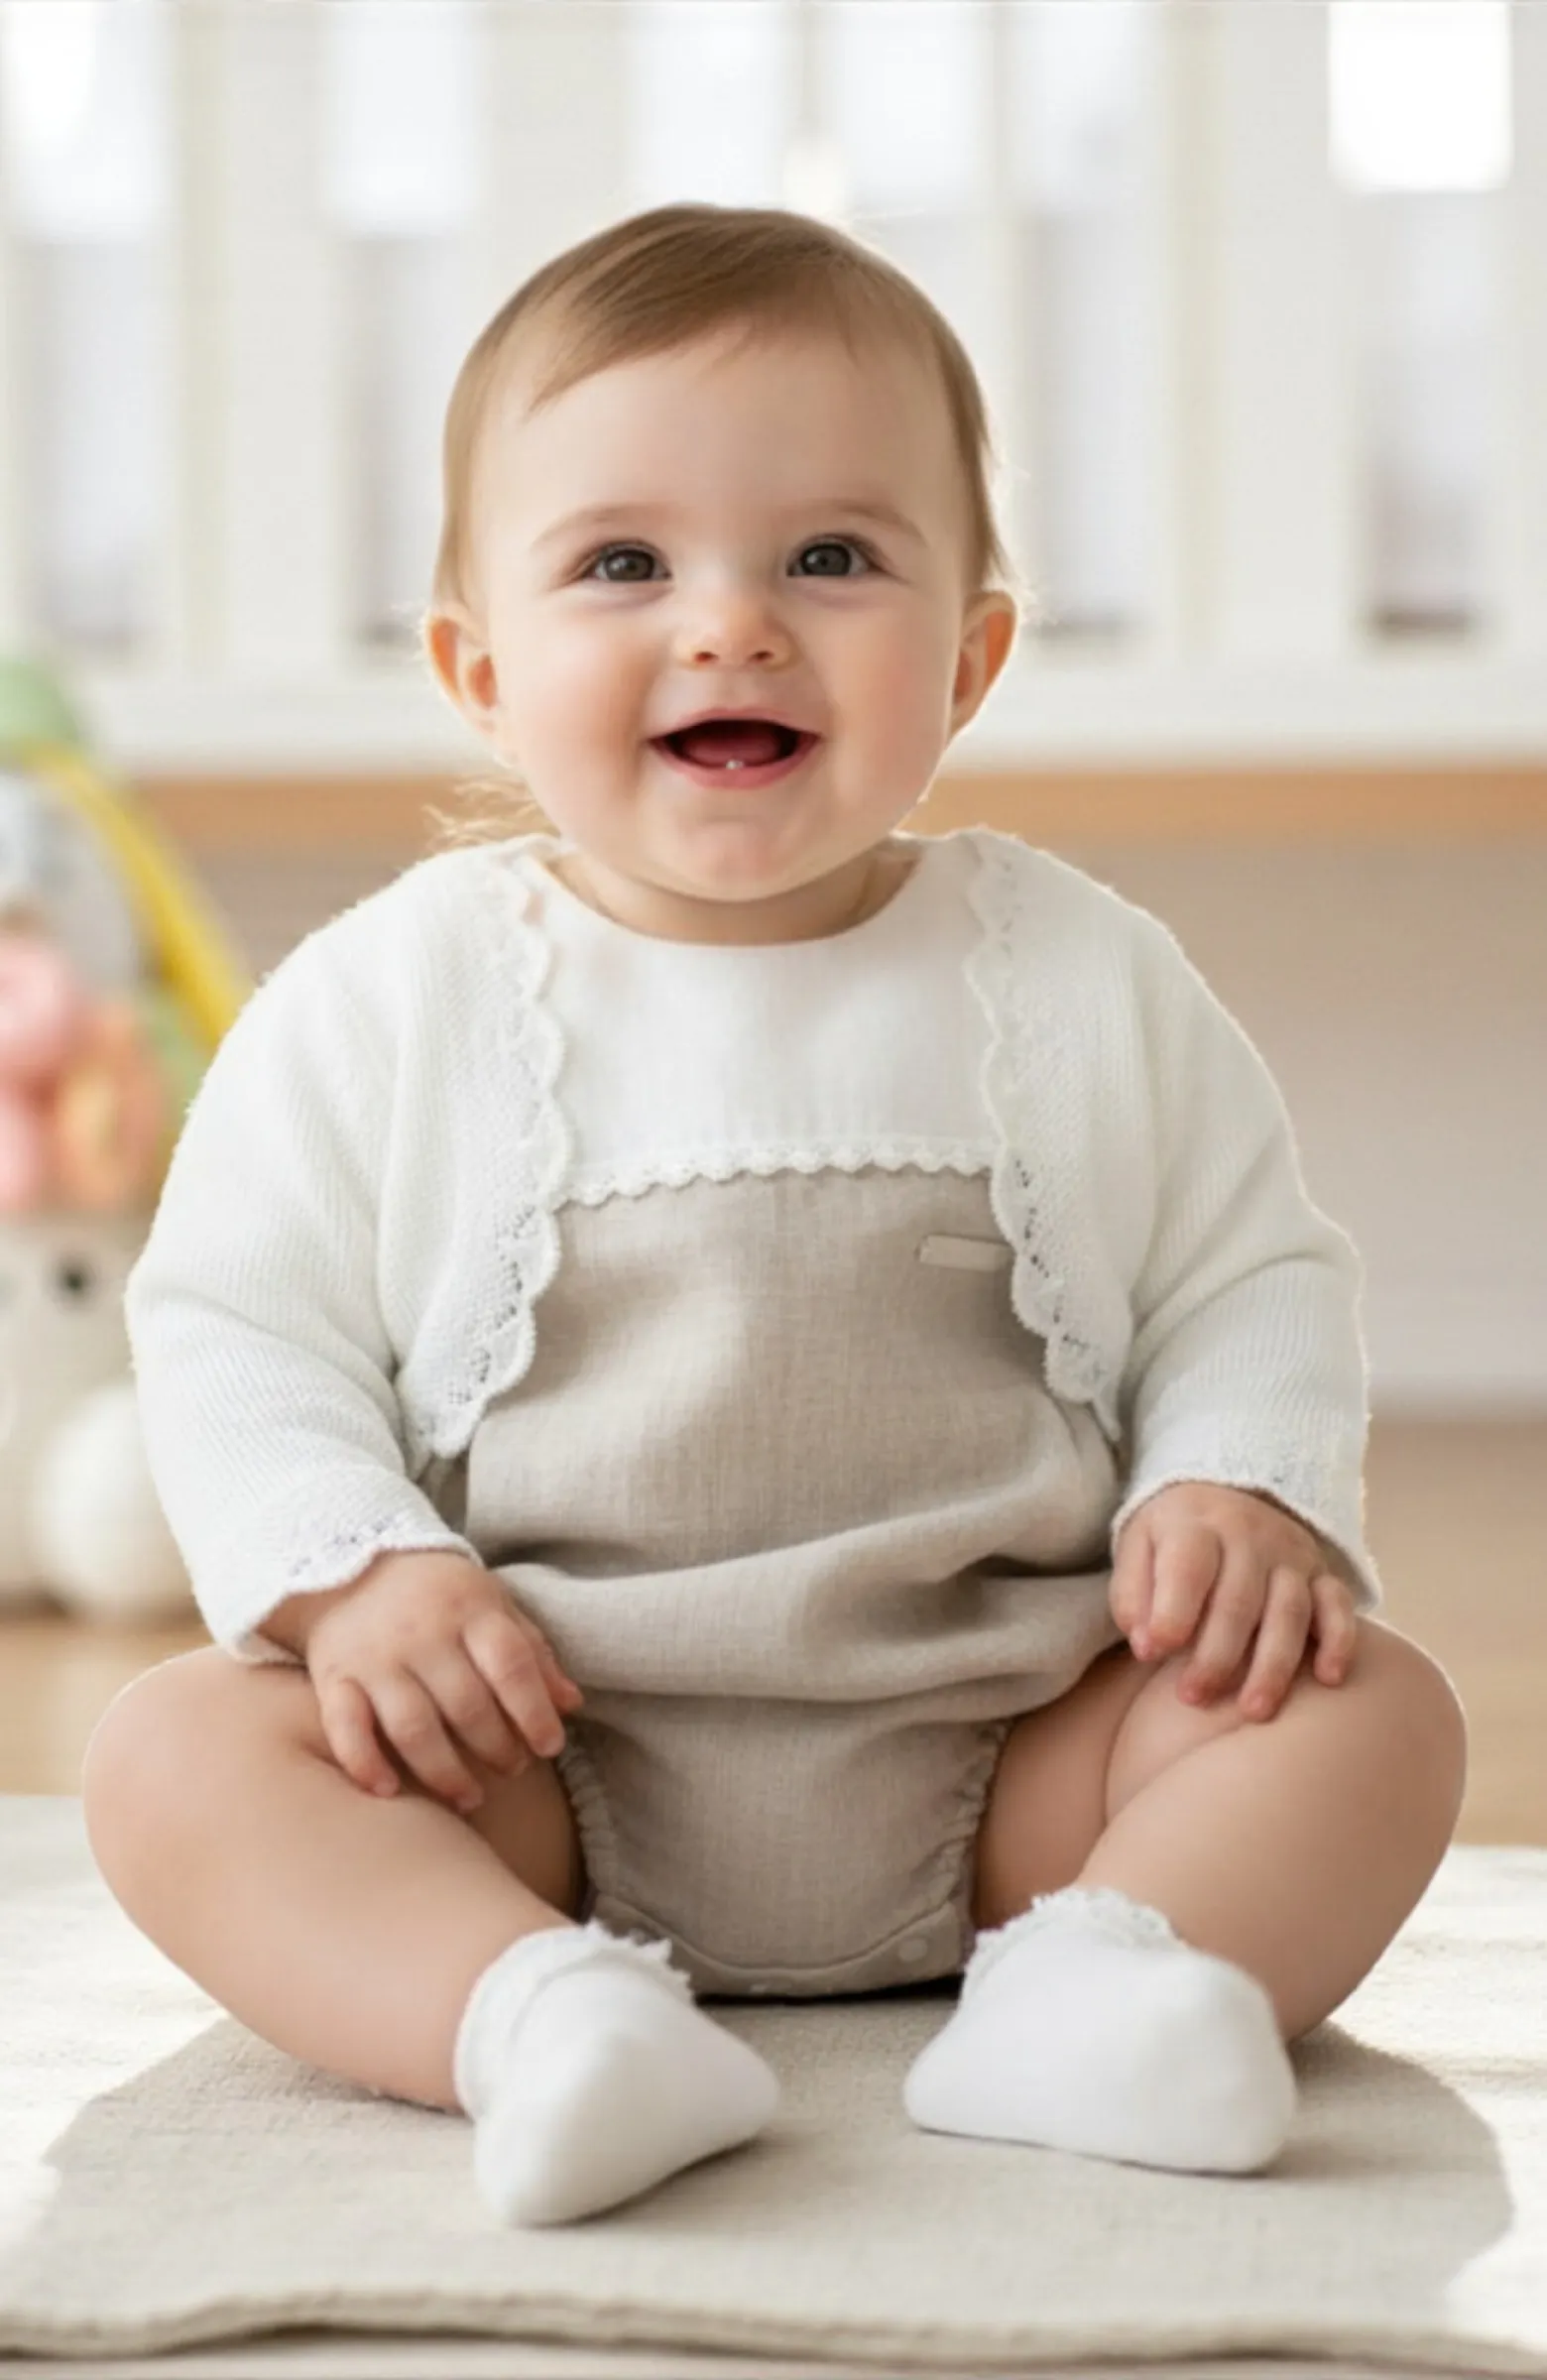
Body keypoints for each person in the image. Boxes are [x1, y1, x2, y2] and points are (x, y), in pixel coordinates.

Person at [81, 201, 1467, 2229]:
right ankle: (529, 2019)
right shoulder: (400, 998)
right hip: (534, 1767)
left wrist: (1239, 1488)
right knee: (174, 1759)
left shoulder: (1074, 976)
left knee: (1370, 1714)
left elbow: (1245, 1270)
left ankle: (1105, 1987)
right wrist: (354, 1578)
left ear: (974, 655)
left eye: (831, 556)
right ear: (477, 669)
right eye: (623, 564)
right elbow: (233, 1325)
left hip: (1021, 1759)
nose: (729, 624)